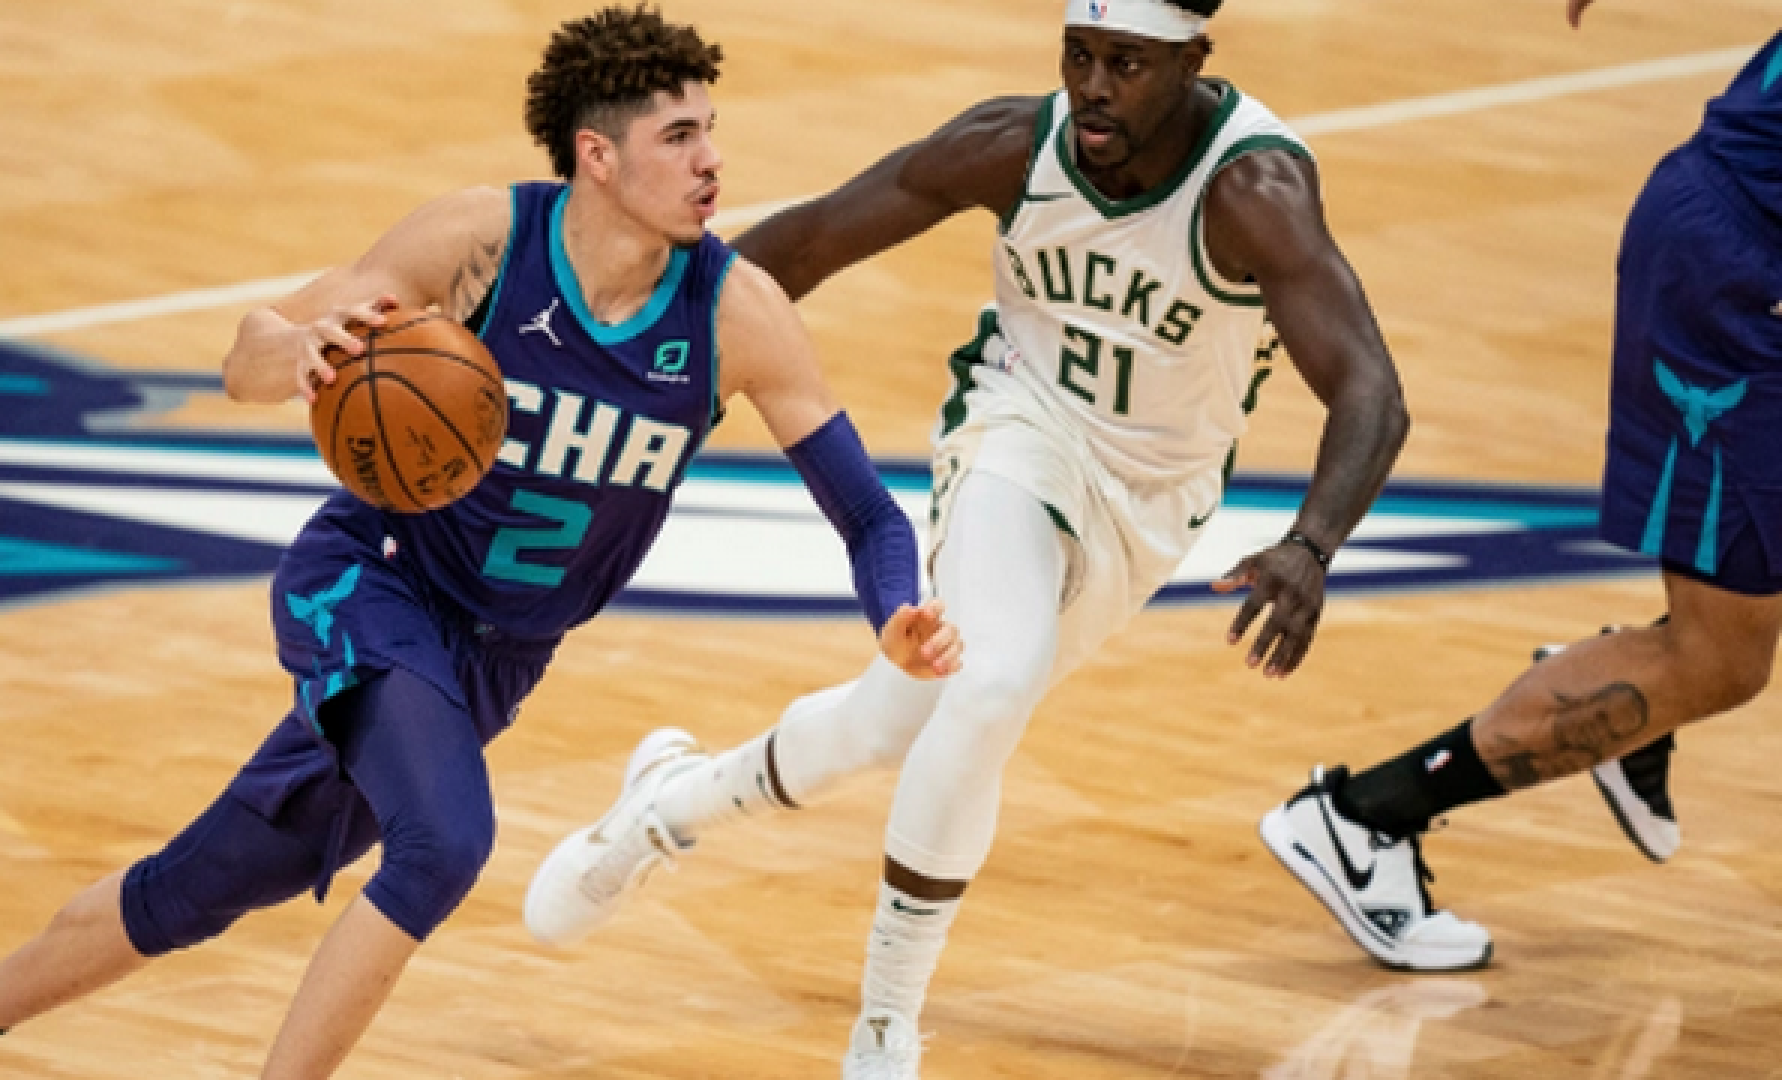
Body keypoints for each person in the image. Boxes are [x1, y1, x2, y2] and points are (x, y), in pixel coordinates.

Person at [0, 7, 962, 1079]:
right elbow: (247, 355)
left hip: (496, 660)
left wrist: (894, 616)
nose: (712, 159)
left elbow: (868, 513)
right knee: (444, 843)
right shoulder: (483, 243)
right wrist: (298, 350)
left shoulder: (734, 313)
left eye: (710, 129)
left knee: (202, 884)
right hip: (371, 584)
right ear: (599, 156)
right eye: (679, 136)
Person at [522, 0, 1416, 1075]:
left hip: (1151, 502)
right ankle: (885, 1029)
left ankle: (665, 807)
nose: (1093, 86)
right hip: (1016, 433)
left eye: (1126, 63)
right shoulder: (1012, 146)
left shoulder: (1252, 190)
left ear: (1192, 62)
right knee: (992, 685)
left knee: (888, 723)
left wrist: (1312, 544)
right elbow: (807, 242)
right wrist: (636, 360)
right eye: (1079, 56)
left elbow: (1370, 388)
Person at [1261, 0, 1782, 972]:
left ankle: (1638, 685)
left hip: (1736, 253)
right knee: (1720, 660)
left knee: (1715, 650)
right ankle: (1363, 819)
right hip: (1735, 287)